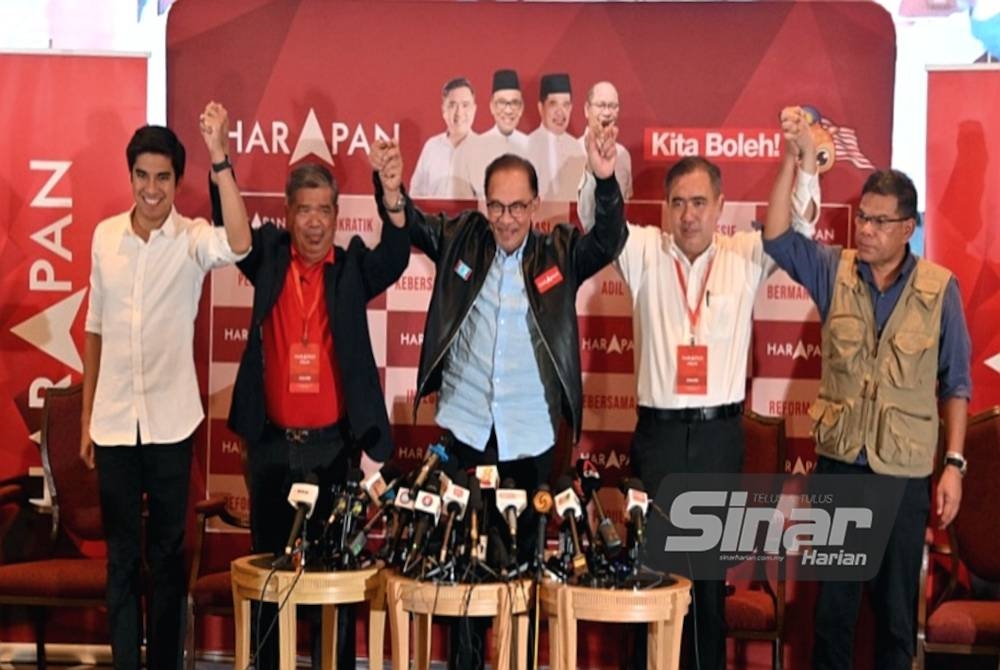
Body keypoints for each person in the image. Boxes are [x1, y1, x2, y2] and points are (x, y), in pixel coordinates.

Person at [371, 124, 626, 670]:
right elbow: (413, 224)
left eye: (518, 207)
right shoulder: (463, 238)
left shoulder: (559, 249)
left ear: (535, 205)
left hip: (531, 441)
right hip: (464, 435)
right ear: (483, 205)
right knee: (461, 573)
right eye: (497, 207)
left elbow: (608, 240)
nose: (507, 219)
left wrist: (604, 182)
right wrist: (391, 190)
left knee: (520, 579)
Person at [577, 106, 820, 669]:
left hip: (718, 440)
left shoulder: (746, 255)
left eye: (699, 202)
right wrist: (602, 172)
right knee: (654, 575)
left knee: (707, 583)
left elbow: (797, 232)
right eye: (678, 203)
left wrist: (800, 163)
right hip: (658, 439)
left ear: (720, 207)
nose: (688, 215)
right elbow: (599, 224)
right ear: (665, 208)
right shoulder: (640, 251)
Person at [763, 106, 971, 670]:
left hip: (903, 472)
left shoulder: (939, 290)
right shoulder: (835, 269)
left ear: (908, 228)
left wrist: (953, 462)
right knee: (833, 613)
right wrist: (792, 157)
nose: (867, 230)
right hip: (841, 463)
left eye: (881, 221)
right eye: (862, 218)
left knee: (897, 616)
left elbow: (956, 383)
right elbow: (778, 236)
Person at [219, 152, 409, 668]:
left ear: (336, 213)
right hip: (272, 449)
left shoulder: (349, 270)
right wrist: (220, 160)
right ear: (287, 212)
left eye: (325, 209)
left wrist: (391, 194)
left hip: (333, 451)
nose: (315, 222)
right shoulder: (268, 258)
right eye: (305, 210)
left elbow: (395, 257)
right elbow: (230, 229)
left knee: (336, 590)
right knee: (269, 585)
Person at [80, 102, 251, 670]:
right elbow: (95, 330)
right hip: (111, 426)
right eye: (142, 176)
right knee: (122, 559)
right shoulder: (104, 239)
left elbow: (242, 244)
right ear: (129, 177)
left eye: (163, 178)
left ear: (178, 181)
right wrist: (86, 422)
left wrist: (219, 154)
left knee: (167, 556)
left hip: (172, 424)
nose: (151, 189)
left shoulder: (193, 238)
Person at [451, 68, 529, 199]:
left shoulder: (535, 146)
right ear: (492, 106)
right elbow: (462, 205)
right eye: (502, 103)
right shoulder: (469, 149)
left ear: (521, 108)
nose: (508, 110)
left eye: (514, 103)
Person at [410, 77, 477, 198]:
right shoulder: (431, 147)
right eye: (452, 105)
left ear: (474, 109)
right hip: (433, 216)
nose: (459, 112)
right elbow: (416, 194)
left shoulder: (484, 150)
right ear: (443, 110)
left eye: (465, 105)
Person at [525, 73, 586, 202]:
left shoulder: (576, 148)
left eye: (565, 105)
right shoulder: (527, 146)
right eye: (553, 104)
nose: (560, 112)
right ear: (541, 108)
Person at [579, 80, 632, 201]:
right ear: (587, 109)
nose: (607, 113)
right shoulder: (572, 150)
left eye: (613, 106)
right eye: (601, 105)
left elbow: (626, 202)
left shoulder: (623, 155)